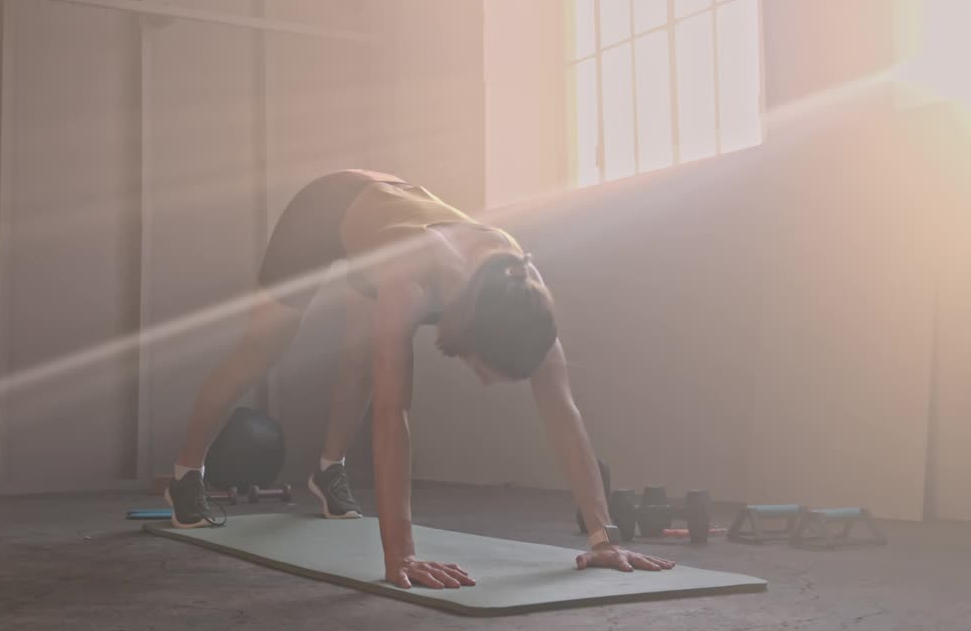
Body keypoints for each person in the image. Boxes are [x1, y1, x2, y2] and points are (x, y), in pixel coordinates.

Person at [164, 169, 675, 589]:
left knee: (361, 362)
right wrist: (401, 555)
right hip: (325, 211)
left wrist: (603, 539)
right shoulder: (409, 279)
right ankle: (187, 476)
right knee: (263, 351)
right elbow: (393, 416)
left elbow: (564, 411)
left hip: (390, 215)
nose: (486, 383)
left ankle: (327, 471)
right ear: (469, 332)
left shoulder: (523, 296)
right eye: (485, 370)